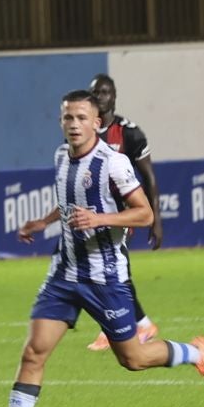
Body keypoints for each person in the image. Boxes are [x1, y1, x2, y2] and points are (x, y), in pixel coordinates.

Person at [0, 90, 204, 407]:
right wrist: (43, 222)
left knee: (133, 359)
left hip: (105, 277)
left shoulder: (114, 163)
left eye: (80, 118)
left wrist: (101, 219)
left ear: (96, 123)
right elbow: (69, 203)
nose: (73, 125)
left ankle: (196, 353)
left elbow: (145, 215)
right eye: (67, 118)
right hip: (64, 272)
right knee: (34, 351)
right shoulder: (61, 156)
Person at [84, 73, 161, 350]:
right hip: (94, 215)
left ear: (114, 96)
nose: (101, 97)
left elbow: (149, 178)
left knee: (111, 268)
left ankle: (117, 327)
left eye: (106, 92)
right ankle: (139, 324)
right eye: (96, 93)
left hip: (121, 215)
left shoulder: (129, 132)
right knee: (111, 270)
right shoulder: (85, 131)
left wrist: (156, 220)